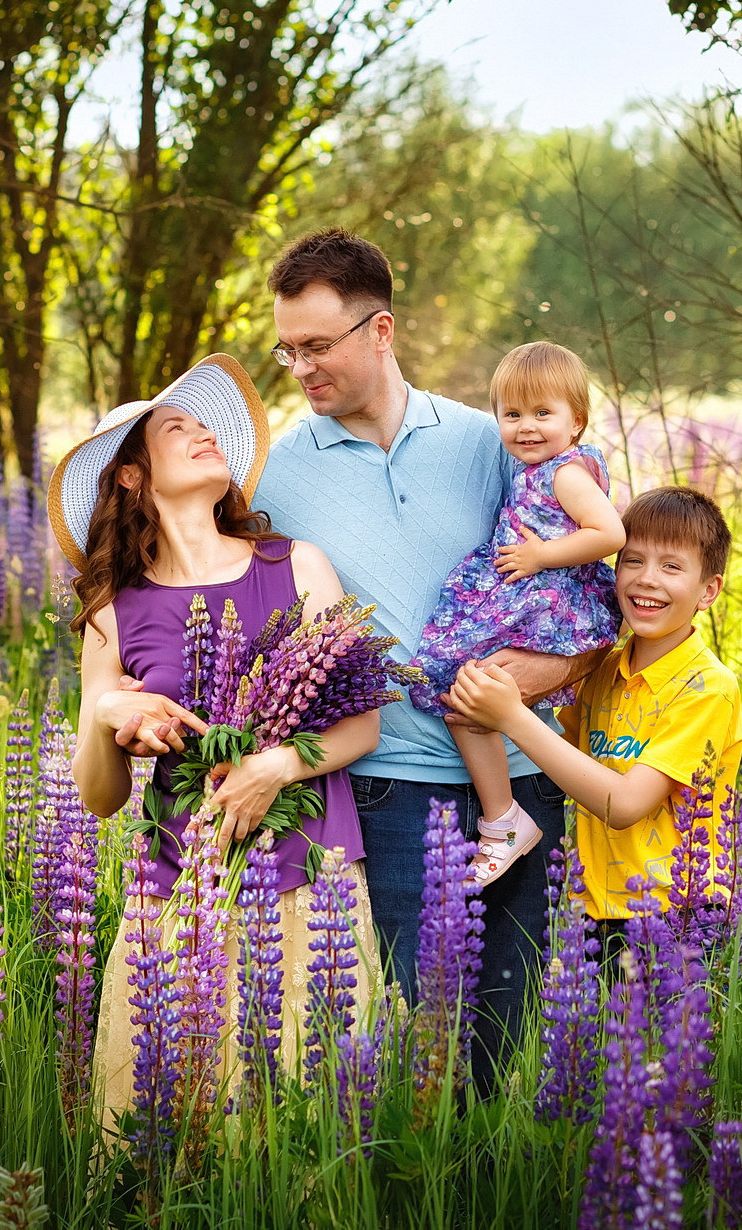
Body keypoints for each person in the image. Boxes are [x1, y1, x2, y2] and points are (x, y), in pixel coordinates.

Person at [249, 228, 612, 1087]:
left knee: (516, 1048)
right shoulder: (272, 478)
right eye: (287, 348)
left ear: (380, 331)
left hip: (529, 772)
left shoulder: (497, 440)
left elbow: (598, 590)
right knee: (423, 1051)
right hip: (391, 787)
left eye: (317, 345)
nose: (300, 368)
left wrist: (546, 675)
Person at [51, 353, 381, 1120]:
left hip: (308, 885)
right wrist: (104, 716)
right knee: (175, 1130)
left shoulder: (298, 564)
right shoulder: (114, 605)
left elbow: (363, 723)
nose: (204, 434)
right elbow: (100, 797)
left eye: (207, 424)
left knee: (303, 1121)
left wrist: (273, 766)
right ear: (131, 475)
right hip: (178, 894)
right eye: (178, 426)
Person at [447, 485, 742, 936]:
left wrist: (510, 716)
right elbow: (560, 759)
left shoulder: (707, 687)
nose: (647, 579)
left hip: (677, 912)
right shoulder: (605, 671)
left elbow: (625, 804)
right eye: (633, 560)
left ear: (709, 590)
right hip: (595, 907)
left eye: (671, 567)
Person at [407, 341, 624, 883]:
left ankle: (503, 819)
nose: (526, 426)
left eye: (543, 413)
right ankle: (502, 816)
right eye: (512, 414)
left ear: (577, 421)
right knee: (462, 690)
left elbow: (610, 533)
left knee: (464, 685)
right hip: (533, 595)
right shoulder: (545, 466)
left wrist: (540, 554)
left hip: (549, 601)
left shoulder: (566, 474)